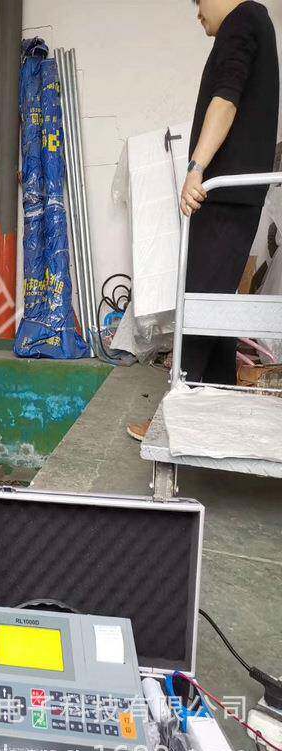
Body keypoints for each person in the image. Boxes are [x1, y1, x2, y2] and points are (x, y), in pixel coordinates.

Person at [127, 0, 279, 442]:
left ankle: (173, 421)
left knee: (197, 309)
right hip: (235, 196)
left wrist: (196, 168)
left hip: (225, 196)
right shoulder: (256, 22)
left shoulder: (242, 19)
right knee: (216, 312)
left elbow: (225, 100)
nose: (197, 13)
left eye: (198, 2)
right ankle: (218, 417)